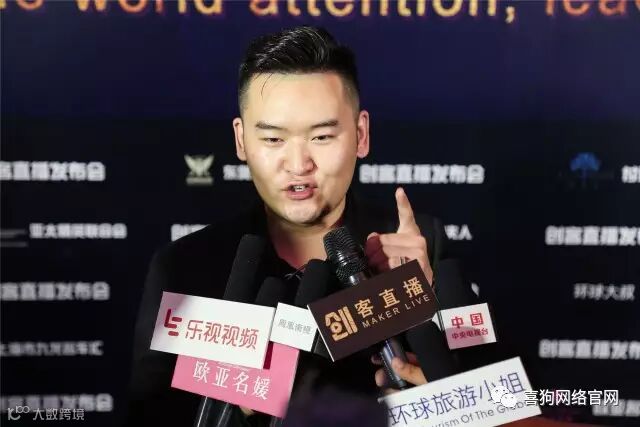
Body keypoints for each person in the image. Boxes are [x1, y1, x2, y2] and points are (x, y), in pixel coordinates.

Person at [124, 26, 455, 426]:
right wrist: (233, 402)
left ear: (361, 134)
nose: (299, 165)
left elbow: (495, 396)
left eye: (322, 136)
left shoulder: (424, 246)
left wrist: (428, 314)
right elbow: (150, 415)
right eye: (273, 139)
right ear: (242, 140)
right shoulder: (186, 268)